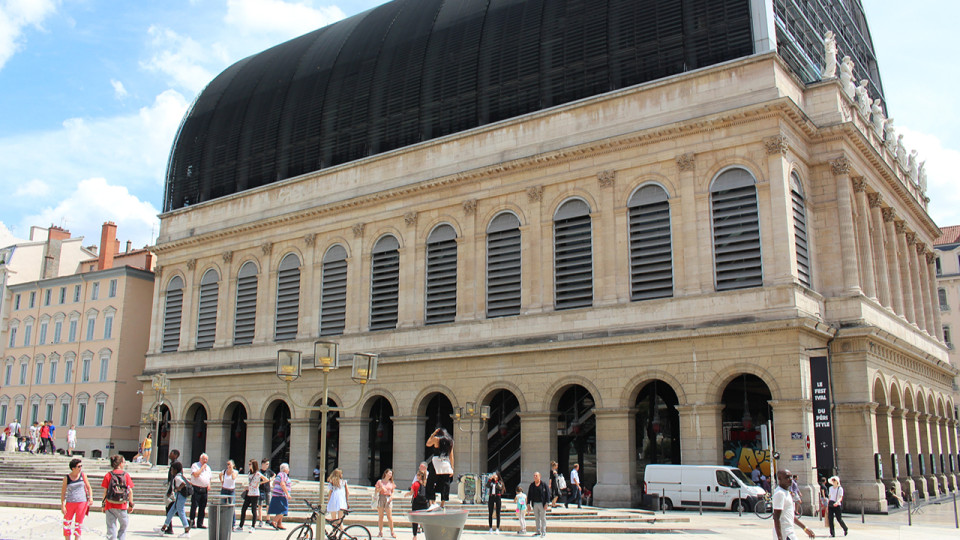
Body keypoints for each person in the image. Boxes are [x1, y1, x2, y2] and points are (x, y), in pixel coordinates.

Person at [772, 469, 815, 540]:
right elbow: (776, 517)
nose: (790, 479)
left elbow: (792, 516)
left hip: (789, 531)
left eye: (791, 477)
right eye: (787, 477)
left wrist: (804, 528)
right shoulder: (780, 493)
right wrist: (780, 537)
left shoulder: (786, 492)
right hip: (784, 533)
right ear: (779, 478)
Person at [101, 454, 134, 540]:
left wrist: (103, 505)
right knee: (123, 526)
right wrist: (131, 505)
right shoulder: (126, 475)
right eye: (124, 462)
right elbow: (130, 491)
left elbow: (105, 492)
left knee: (111, 527)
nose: (124, 464)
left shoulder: (108, 475)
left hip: (110, 504)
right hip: (122, 505)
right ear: (120, 464)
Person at [156, 461, 191, 537]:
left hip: (180, 497)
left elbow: (183, 484)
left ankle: (186, 531)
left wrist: (177, 489)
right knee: (171, 512)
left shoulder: (177, 477)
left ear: (175, 470)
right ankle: (163, 529)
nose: (171, 471)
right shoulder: (181, 476)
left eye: (172, 469)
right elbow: (188, 483)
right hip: (180, 497)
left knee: (181, 512)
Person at [61, 458, 93, 540]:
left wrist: (91, 497)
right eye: (79, 466)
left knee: (78, 523)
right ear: (73, 468)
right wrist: (63, 505)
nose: (80, 468)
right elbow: (63, 492)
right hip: (70, 502)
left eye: (81, 466)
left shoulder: (83, 475)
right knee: (67, 522)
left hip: (82, 502)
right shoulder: (67, 478)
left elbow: (89, 487)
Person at [425, 428, 454, 508]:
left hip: (436, 462)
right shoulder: (450, 441)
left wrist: (433, 434)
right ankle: (442, 504)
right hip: (446, 463)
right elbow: (451, 456)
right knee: (445, 483)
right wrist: (452, 467)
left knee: (430, 482)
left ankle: (432, 502)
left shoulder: (436, 439)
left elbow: (428, 444)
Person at [160, 449, 182, 535]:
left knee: (170, 508)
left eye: (171, 453)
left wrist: (170, 490)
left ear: (175, 455)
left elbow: (173, 478)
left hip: (172, 489)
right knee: (171, 508)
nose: (169, 454)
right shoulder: (174, 464)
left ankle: (170, 527)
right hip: (172, 487)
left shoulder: (175, 464)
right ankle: (169, 527)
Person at [237, 459, 262, 532]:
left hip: (255, 494)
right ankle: (241, 525)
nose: (249, 466)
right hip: (249, 492)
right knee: (243, 509)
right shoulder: (249, 473)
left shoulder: (257, 473)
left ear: (254, 465)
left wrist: (258, 483)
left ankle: (253, 526)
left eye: (250, 464)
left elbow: (266, 479)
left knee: (253, 510)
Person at [189, 453, 212, 529]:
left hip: (204, 489)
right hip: (196, 488)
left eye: (206, 459)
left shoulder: (208, 468)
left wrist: (209, 484)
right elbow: (195, 475)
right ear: (200, 459)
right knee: (194, 506)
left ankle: (200, 523)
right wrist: (202, 468)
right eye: (204, 459)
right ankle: (192, 522)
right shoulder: (195, 465)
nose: (205, 461)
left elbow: (209, 477)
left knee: (203, 507)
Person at [268, 463, 292, 530]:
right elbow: (282, 484)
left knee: (279, 510)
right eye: (288, 469)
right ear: (285, 469)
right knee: (283, 509)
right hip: (281, 495)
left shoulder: (279, 475)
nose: (289, 470)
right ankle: (274, 521)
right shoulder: (283, 474)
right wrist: (287, 494)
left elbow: (274, 483)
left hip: (276, 495)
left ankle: (279, 524)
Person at [375, 468, 397, 538]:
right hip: (381, 497)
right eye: (389, 473)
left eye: (391, 474)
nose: (390, 475)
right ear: (385, 473)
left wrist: (391, 497)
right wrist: (381, 488)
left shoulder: (391, 483)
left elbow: (393, 492)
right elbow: (376, 491)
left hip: (388, 498)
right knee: (381, 516)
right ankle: (380, 532)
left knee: (389, 516)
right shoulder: (380, 482)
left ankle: (392, 531)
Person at [527, 472, 550, 537]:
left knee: (543, 518)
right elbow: (529, 495)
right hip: (535, 503)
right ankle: (538, 531)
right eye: (534, 475)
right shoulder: (532, 485)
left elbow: (548, 494)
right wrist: (528, 504)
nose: (535, 477)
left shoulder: (544, 485)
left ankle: (543, 531)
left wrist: (547, 503)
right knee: (537, 518)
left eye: (536, 475)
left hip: (542, 504)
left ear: (539, 476)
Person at [408, 470, 428, 540]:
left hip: (416, 503)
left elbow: (411, 492)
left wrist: (407, 494)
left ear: (419, 476)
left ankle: (415, 535)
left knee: (415, 519)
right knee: (426, 519)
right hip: (424, 503)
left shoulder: (415, 484)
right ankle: (428, 535)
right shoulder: (426, 484)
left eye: (417, 475)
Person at [220, 460, 238, 530]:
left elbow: (233, 478)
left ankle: (233, 524)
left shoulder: (235, 472)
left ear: (233, 465)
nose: (228, 466)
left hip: (231, 491)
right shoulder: (224, 471)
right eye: (227, 464)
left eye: (230, 464)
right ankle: (223, 522)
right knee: (223, 505)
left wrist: (231, 471)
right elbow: (220, 475)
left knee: (232, 506)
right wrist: (222, 481)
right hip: (224, 490)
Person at [257, 459, 275, 528]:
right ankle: (260, 520)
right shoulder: (259, 472)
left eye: (268, 464)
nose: (267, 465)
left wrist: (271, 480)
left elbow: (274, 474)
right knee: (260, 505)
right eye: (266, 464)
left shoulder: (269, 471)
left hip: (268, 489)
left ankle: (268, 519)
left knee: (268, 505)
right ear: (262, 464)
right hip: (261, 489)